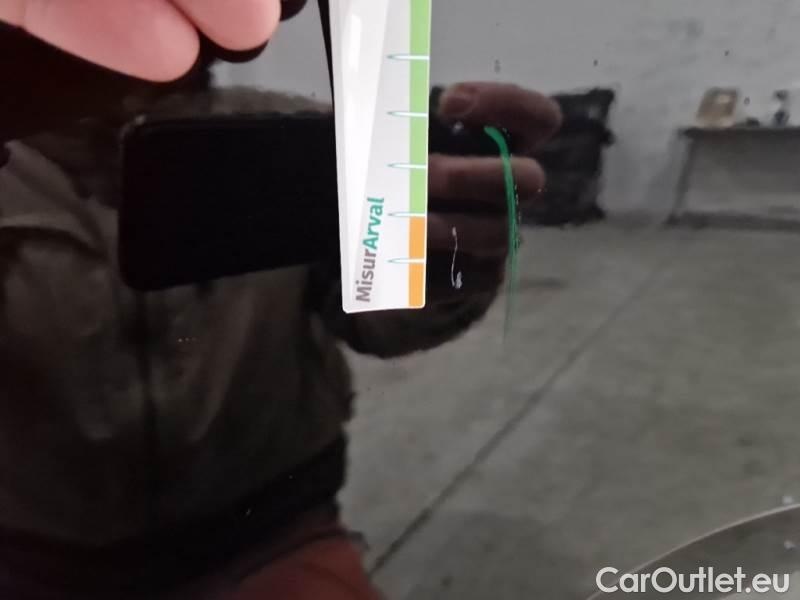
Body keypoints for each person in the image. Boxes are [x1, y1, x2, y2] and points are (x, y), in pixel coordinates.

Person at [0, 1, 562, 598]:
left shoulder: (294, 132)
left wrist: (441, 266)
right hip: (38, 559)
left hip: (274, 528)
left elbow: (382, 324)